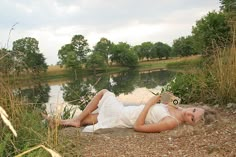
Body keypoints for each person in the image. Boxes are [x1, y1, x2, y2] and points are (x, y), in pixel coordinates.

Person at [43, 89, 216, 133]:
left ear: (191, 123)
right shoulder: (177, 106)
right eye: (193, 110)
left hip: (123, 117)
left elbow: (138, 127)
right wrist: (174, 101)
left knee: (104, 92)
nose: (189, 114)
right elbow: (165, 94)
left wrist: (149, 104)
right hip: (125, 111)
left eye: (192, 118)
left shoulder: (171, 122)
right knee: (90, 119)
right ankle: (60, 123)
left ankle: (75, 120)